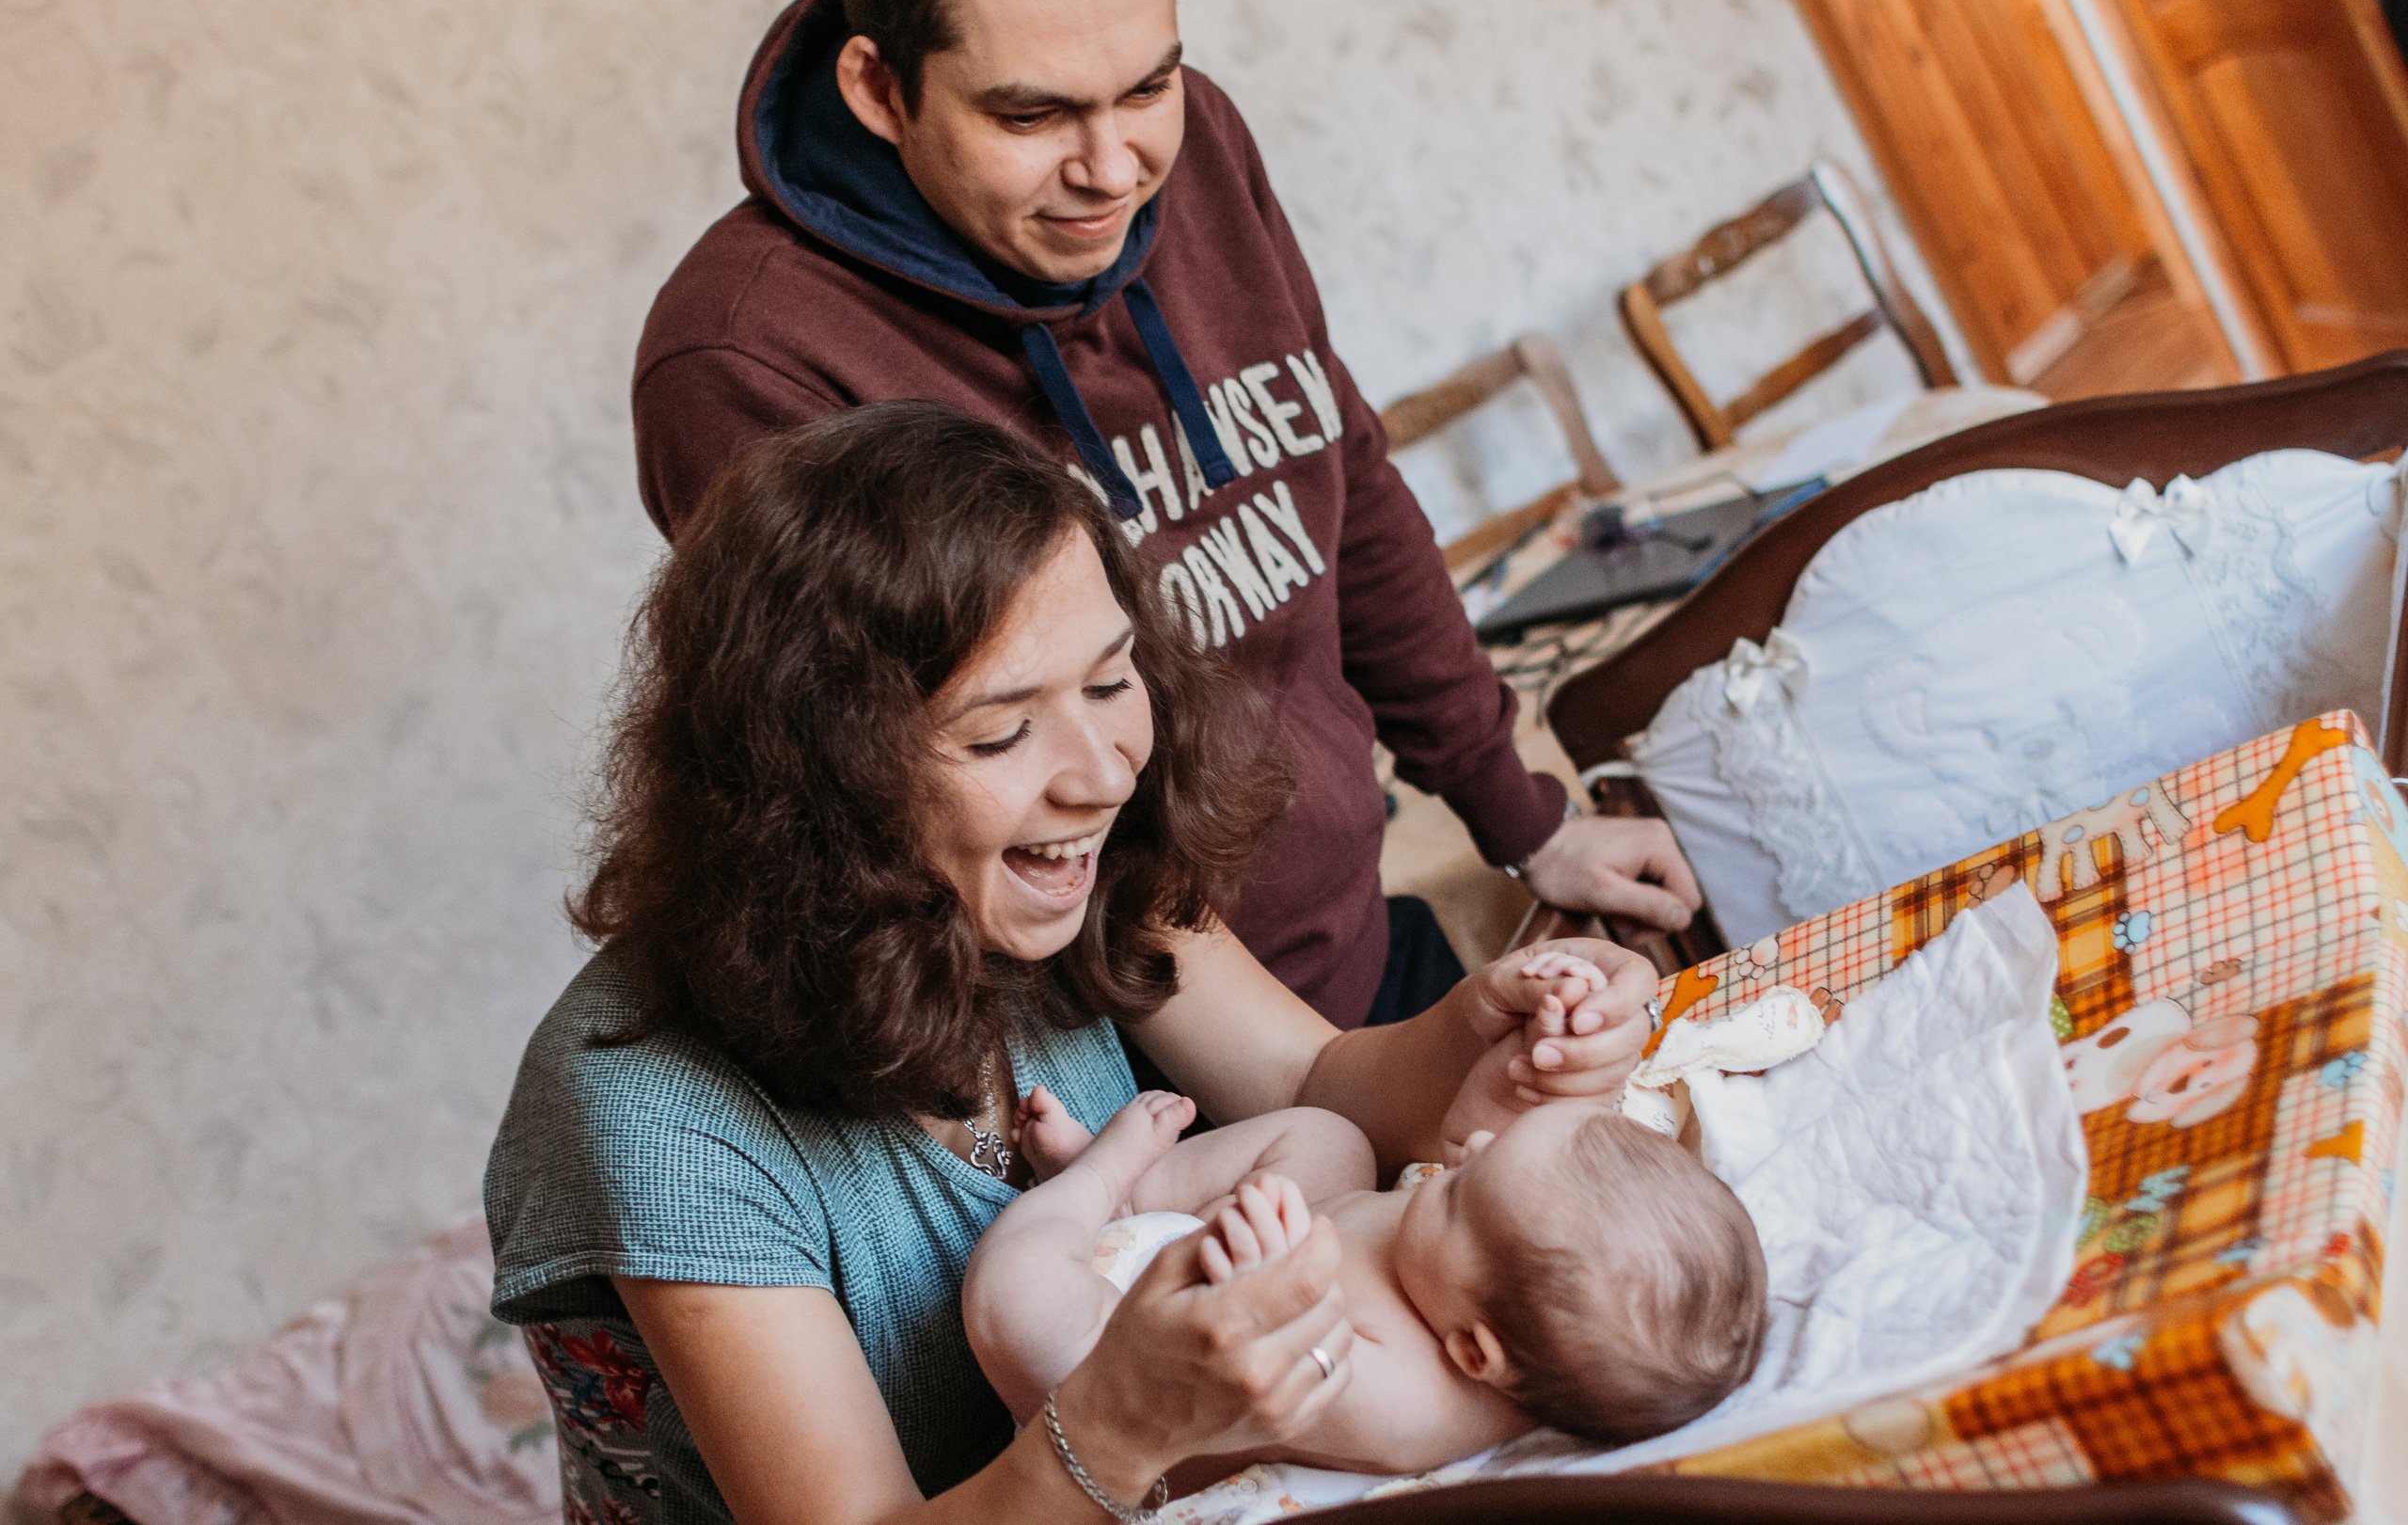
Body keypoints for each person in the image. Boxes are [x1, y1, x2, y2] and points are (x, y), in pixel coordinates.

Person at [485, 403, 1662, 1523]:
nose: (1101, 772)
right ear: (816, 784)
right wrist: (1116, 1428)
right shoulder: (649, 1110)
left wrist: (1494, 1033)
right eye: (999, 733)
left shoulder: (1067, 870)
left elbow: (1313, 1091)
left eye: (1111, 682)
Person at [629, 0, 1700, 1028]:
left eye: (1146, 88)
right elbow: (913, 812)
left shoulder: (1198, 155)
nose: (1111, 171)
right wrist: (1312, 1084)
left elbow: (1346, 490)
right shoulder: (748, 358)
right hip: (1131, 1066)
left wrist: (1525, 819)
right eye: (1029, 114)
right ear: (879, 88)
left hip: (1359, 950)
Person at [965, 1081, 1768, 1479]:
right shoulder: (1468, 1279)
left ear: (1475, 1351)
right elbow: (1483, 1165)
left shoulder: (1423, 1406)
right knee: (1330, 1137)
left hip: (1116, 1351)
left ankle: (1098, 1182)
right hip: (1195, 1236)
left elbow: (1260, 1365)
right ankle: (1146, 1190)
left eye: (1461, 1192)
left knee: (1021, 1309)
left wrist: (1263, 1275)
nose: (1470, 1145)